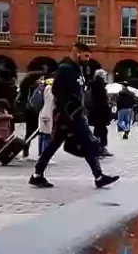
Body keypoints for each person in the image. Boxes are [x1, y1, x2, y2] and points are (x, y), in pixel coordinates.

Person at [29, 42, 119, 189]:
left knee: (55, 144)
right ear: (77, 52)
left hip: (76, 113)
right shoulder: (65, 69)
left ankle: (37, 175)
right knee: (87, 142)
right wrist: (66, 109)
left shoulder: (78, 70)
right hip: (70, 114)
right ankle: (98, 176)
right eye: (86, 56)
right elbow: (56, 90)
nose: (88, 59)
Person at [87, 69, 112, 157]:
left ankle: (101, 148)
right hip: (99, 112)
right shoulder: (98, 85)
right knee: (99, 131)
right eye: (104, 75)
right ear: (101, 76)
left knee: (101, 130)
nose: (105, 77)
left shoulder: (96, 85)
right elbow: (101, 100)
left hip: (98, 111)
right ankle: (97, 149)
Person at [22, 77, 47, 158]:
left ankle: (25, 151)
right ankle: (40, 153)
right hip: (36, 114)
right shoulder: (38, 91)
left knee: (29, 133)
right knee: (41, 133)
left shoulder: (30, 89)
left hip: (30, 114)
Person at [36, 78, 54, 157]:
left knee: (42, 134)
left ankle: (40, 154)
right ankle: (45, 155)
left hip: (43, 113)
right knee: (47, 135)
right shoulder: (49, 90)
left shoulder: (42, 90)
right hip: (48, 114)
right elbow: (52, 104)